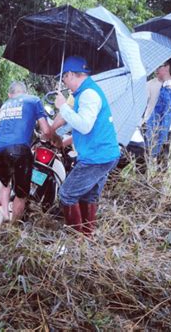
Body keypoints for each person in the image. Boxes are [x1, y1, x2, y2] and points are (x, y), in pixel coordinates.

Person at [53, 56, 120, 236]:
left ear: (71, 75)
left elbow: (84, 125)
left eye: (64, 78)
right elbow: (84, 128)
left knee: (67, 195)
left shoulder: (89, 94)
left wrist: (62, 107)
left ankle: (77, 242)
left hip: (97, 156)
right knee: (88, 195)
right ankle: (87, 238)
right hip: (104, 154)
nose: (65, 83)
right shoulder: (84, 93)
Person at [0, 81, 54, 222]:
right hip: (18, 149)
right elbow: (45, 130)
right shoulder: (34, 100)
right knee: (21, 194)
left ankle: (5, 215)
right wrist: (51, 136)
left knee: (5, 182)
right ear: (25, 92)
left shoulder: (5, 105)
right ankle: (14, 227)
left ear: (10, 94)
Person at [142, 59, 171, 158]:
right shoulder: (149, 84)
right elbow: (142, 105)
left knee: (162, 161)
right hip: (148, 125)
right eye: (155, 67)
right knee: (144, 159)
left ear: (167, 67)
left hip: (167, 128)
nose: (156, 70)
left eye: (159, 66)